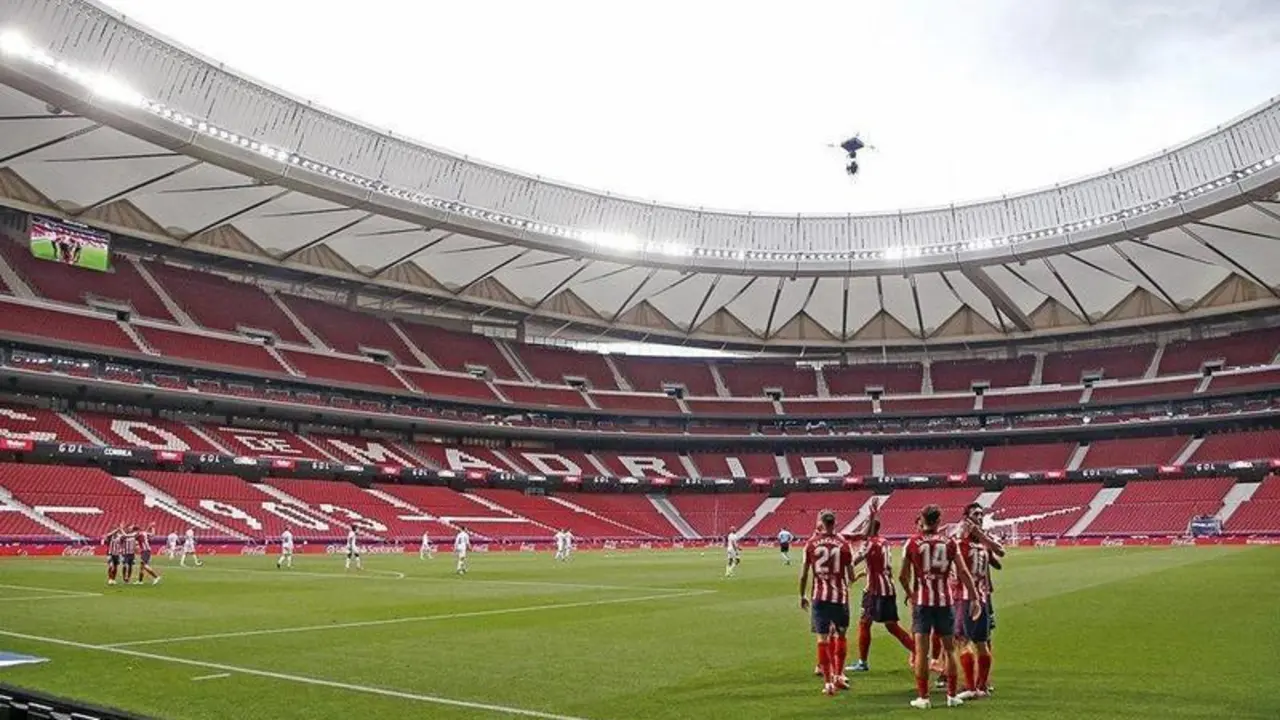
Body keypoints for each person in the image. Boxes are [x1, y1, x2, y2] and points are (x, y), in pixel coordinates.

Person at [900, 504, 981, 710]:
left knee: (922, 652)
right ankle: (952, 695)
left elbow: (902, 576)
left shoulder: (912, 543)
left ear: (922, 519)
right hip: (945, 602)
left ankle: (924, 698)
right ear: (938, 521)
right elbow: (963, 571)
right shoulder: (950, 542)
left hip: (922, 602)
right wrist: (974, 597)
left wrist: (911, 594)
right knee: (950, 649)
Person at [848, 513, 916, 673]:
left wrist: (851, 549)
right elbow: (880, 564)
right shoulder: (884, 542)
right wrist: (864, 572)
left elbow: (851, 562)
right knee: (892, 626)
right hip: (888, 589)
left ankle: (862, 662)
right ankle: (919, 653)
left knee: (864, 623)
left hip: (874, 591)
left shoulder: (869, 544)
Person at [799, 510, 856, 696]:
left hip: (819, 597)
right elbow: (851, 575)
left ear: (821, 523)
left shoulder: (811, 544)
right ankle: (839, 675)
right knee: (841, 635)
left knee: (822, 639)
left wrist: (802, 595)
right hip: (840, 598)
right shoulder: (843, 544)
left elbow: (804, 574)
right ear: (835, 523)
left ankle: (828, 684)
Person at [954, 504, 1004, 700]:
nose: (980, 517)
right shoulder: (976, 544)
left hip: (968, 598)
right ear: (966, 519)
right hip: (981, 597)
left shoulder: (961, 545)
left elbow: (999, 556)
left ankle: (973, 685)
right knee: (980, 641)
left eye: (981, 514)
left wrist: (980, 535)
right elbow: (1000, 554)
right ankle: (981, 685)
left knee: (964, 640)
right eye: (976, 514)